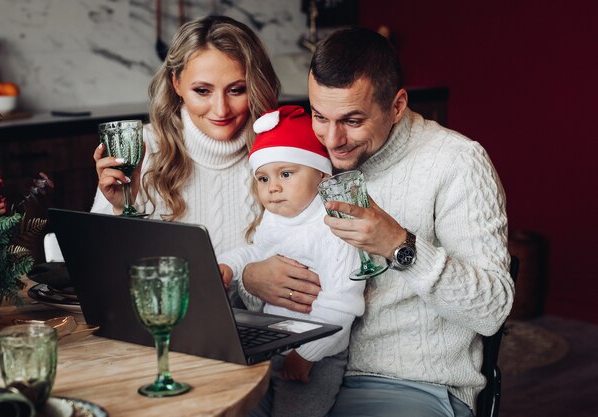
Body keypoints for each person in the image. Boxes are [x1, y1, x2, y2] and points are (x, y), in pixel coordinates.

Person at [237, 27, 515, 417]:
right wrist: (252, 279)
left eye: (352, 120)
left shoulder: (457, 163)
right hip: (295, 364)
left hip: (407, 383)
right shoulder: (306, 157)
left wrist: (400, 246)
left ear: (397, 105)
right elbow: (274, 255)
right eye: (320, 116)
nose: (332, 140)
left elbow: (492, 310)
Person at [91, 15, 280, 258]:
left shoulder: (282, 151)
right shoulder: (143, 147)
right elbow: (101, 266)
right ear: (176, 84)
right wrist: (121, 207)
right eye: (202, 91)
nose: (221, 109)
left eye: (237, 90)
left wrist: (245, 279)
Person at [218, 105, 365, 417]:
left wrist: (306, 354)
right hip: (272, 340)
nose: (272, 187)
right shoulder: (274, 218)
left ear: (323, 175)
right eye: (262, 178)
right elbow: (255, 253)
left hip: (318, 354)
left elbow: (342, 302)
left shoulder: (333, 227)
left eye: (286, 174)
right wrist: (230, 266)